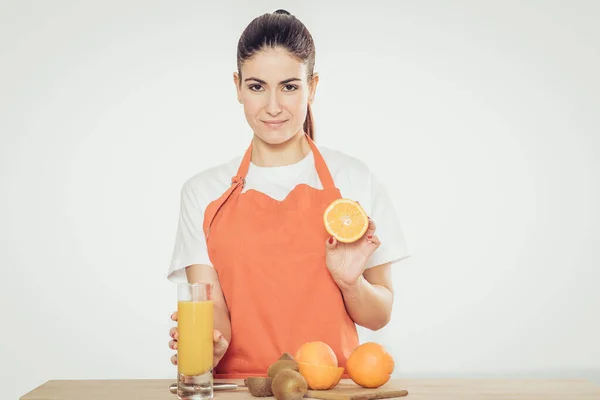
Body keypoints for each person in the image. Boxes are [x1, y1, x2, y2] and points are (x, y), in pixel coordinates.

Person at [166, 9, 410, 379]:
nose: (273, 106)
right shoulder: (202, 193)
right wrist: (212, 344)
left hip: (333, 391)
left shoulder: (354, 180)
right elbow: (211, 305)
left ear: (312, 87)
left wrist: (350, 283)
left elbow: (380, 315)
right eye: (257, 86)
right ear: (237, 86)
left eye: (290, 86)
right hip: (242, 391)